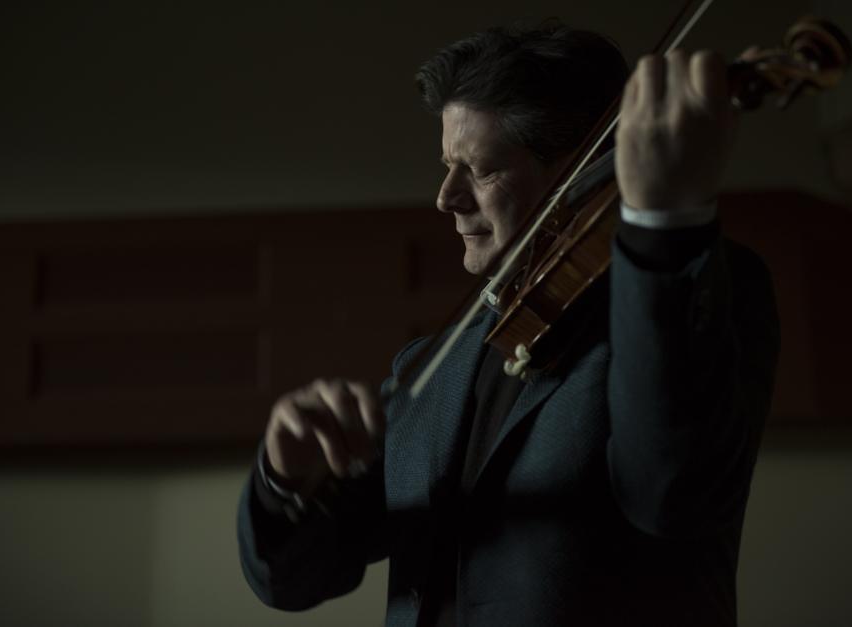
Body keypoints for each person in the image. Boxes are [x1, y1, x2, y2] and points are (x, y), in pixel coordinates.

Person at [237, 23, 779, 627]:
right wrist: (284, 477)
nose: (446, 197)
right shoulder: (431, 365)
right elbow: (291, 579)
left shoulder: (699, 293)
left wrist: (664, 222)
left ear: (578, 172)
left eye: (481, 169)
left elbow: (677, 495)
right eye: (447, 165)